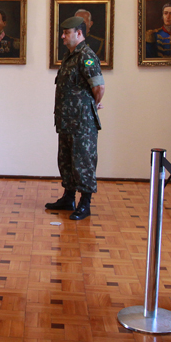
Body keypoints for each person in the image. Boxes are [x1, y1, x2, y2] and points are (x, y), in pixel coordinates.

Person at [45, 16, 105, 220]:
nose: (62, 36)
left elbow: (99, 86)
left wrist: (93, 105)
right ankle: (68, 198)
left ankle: (85, 203)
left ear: (79, 33)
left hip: (82, 122)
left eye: (66, 32)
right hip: (66, 121)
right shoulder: (70, 56)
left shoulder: (86, 56)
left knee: (83, 162)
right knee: (67, 161)